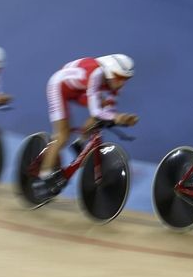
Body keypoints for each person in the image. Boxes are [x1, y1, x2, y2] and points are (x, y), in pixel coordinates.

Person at [33, 54, 139, 201]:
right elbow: (96, 112)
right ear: (109, 71)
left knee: (102, 110)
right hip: (59, 86)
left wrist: (121, 118)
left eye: (125, 79)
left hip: (80, 89)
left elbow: (109, 110)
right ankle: (42, 179)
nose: (121, 83)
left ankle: (80, 142)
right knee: (63, 134)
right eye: (118, 77)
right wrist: (116, 117)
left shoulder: (114, 82)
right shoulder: (96, 74)